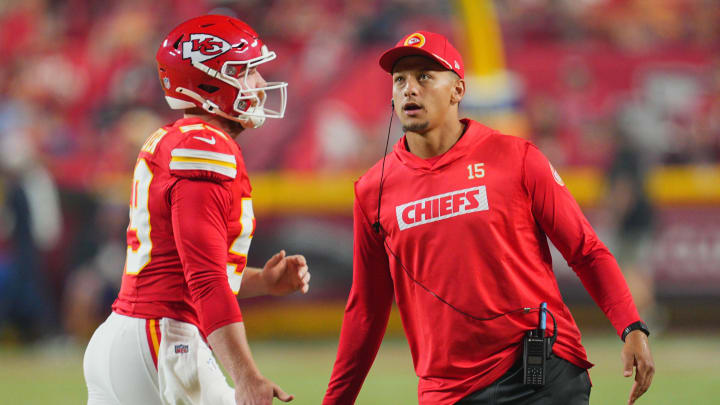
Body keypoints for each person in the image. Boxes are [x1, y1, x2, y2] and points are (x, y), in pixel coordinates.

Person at [323, 31, 654, 405]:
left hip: (542, 373)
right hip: (447, 392)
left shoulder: (517, 158)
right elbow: (366, 310)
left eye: (424, 77)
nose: (409, 89)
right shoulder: (372, 191)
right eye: (400, 80)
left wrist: (631, 327)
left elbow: (585, 250)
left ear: (457, 90)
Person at [83, 15, 310, 405]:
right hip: (164, 339)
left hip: (127, 337)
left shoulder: (175, 138)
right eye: (245, 72)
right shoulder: (203, 149)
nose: (258, 84)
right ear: (208, 82)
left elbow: (180, 266)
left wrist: (260, 282)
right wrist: (247, 376)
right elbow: (203, 278)